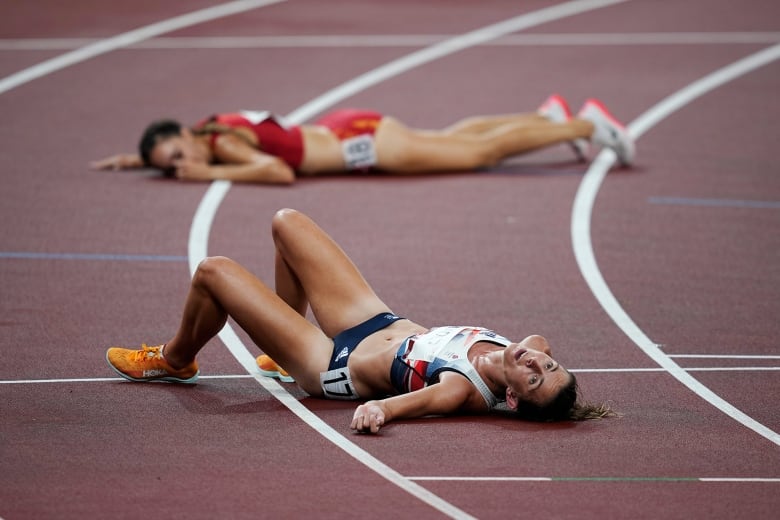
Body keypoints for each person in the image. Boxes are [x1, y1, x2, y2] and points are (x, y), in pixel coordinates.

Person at [105, 208, 614, 433]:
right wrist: (533, 364)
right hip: (375, 319)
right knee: (287, 223)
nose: (539, 363)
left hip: (334, 363)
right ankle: (277, 353)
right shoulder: (524, 353)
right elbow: (535, 345)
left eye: (534, 378)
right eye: (549, 366)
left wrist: (379, 415)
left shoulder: (460, 390)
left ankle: (175, 360)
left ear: (509, 399)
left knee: (213, 272)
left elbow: (403, 407)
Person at [91, 95, 634, 184]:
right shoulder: (215, 124)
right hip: (348, 127)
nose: (181, 165)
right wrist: (133, 159)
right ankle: (543, 116)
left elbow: (277, 172)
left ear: (188, 136)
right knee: (451, 137)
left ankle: (587, 125)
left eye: (177, 154)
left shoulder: (222, 149)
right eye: (170, 166)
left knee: (478, 155)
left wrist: (209, 172)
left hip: (369, 149)